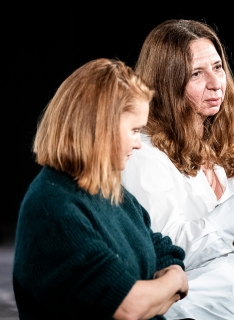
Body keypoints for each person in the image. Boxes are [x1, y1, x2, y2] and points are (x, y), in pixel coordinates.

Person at [121, 19, 234, 320]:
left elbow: (227, 253)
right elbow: (170, 251)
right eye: (197, 73)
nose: (216, 82)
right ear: (167, 81)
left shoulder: (212, 146)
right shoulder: (144, 153)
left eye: (218, 67)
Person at [13, 58, 189, 320]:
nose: (139, 144)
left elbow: (162, 250)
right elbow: (130, 307)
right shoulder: (52, 208)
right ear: (100, 127)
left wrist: (168, 276)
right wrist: (172, 283)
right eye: (134, 130)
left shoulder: (110, 191)